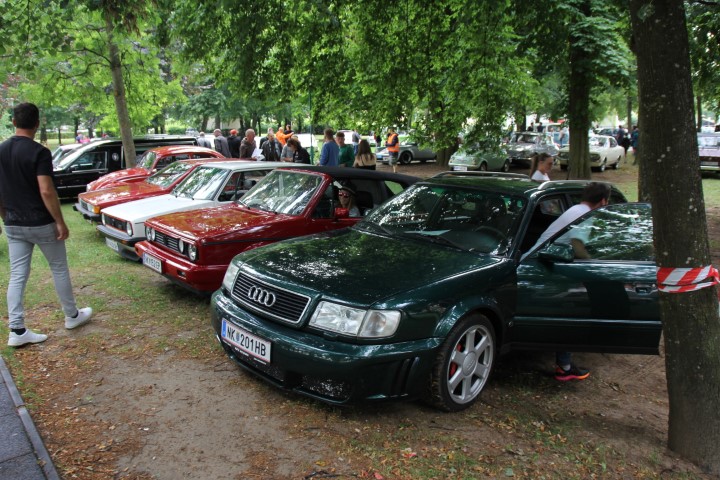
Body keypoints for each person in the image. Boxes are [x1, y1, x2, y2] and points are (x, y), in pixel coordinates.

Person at [0, 103, 93, 347]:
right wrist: (59, 221)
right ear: (37, 124)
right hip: (41, 223)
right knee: (59, 268)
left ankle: (17, 330)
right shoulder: (39, 152)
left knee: (17, 275)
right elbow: (46, 189)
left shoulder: (1, 150)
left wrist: (3, 216)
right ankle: (72, 316)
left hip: (13, 223)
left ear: (13, 122)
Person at [525, 182, 612, 381]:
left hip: (536, 263)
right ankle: (564, 367)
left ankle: (563, 363)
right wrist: (598, 266)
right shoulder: (585, 216)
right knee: (575, 308)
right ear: (603, 201)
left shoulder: (575, 209)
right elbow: (578, 247)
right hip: (539, 269)